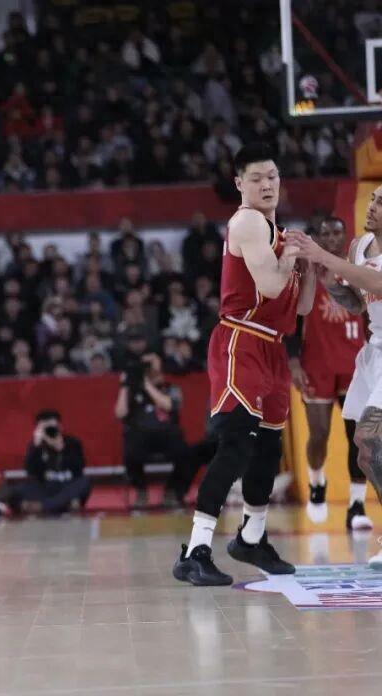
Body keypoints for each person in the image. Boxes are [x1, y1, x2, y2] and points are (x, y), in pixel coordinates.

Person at [174, 144, 314, 587]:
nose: (267, 184)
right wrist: (291, 257)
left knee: (269, 449)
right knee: (235, 445)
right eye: (256, 178)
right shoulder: (248, 221)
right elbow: (270, 286)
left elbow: (301, 307)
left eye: (272, 176)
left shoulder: (279, 231)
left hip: (273, 344)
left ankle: (252, 538)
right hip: (241, 338)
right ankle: (195, 550)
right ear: (239, 184)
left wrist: (309, 265)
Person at [287, 184, 382, 567]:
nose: (372, 206)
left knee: (369, 438)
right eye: (372, 199)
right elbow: (358, 303)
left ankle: (364, 513)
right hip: (370, 353)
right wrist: (328, 280)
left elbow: (377, 284)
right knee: (360, 447)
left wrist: (322, 255)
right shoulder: (360, 247)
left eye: (381, 202)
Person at [115, 353, 192, 508]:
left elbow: (168, 405)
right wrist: (125, 385)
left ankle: (171, 491)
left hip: (167, 435)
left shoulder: (171, 388)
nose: (150, 369)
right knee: (130, 450)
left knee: (186, 453)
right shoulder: (133, 390)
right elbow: (120, 413)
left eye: (153, 365)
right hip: (140, 436)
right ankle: (141, 491)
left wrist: (147, 385)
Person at [14, 410, 91, 515]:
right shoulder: (36, 445)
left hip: (67, 486)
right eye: (45, 429)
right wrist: (36, 446)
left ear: (60, 427)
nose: (50, 431)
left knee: (85, 482)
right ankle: (61, 504)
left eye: (52, 427)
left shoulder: (73, 443)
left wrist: (61, 449)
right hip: (46, 487)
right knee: (17, 489)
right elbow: (30, 471)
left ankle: (44, 506)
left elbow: (79, 469)